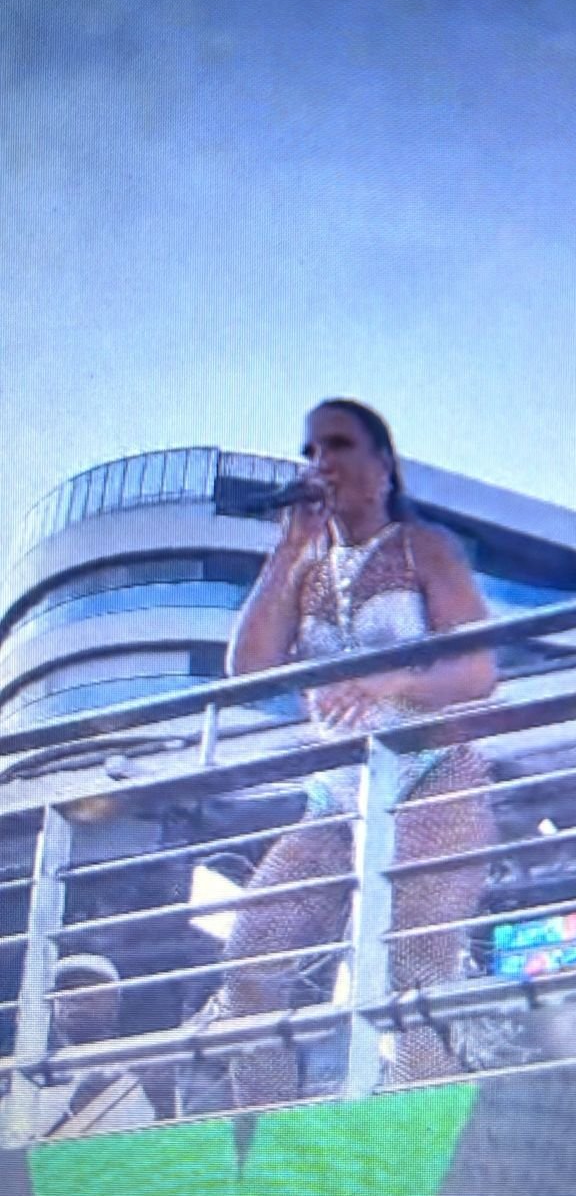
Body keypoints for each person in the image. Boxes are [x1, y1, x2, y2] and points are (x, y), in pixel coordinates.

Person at [219, 399, 498, 1106]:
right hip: (336, 797)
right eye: (311, 451)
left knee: (414, 958)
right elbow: (247, 671)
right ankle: (267, 1133)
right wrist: (288, 550)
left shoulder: (422, 548)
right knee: (250, 955)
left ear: (383, 467)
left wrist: (389, 678)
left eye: (338, 445)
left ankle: (417, 1122)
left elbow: (477, 672)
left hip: (433, 776)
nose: (321, 464)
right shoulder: (305, 569)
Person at [34, 954, 157, 1139]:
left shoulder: (148, 1059)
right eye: (65, 990)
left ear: (115, 1001)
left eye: (89, 989)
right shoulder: (31, 1072)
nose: (76, 997)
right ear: (53, 1004)